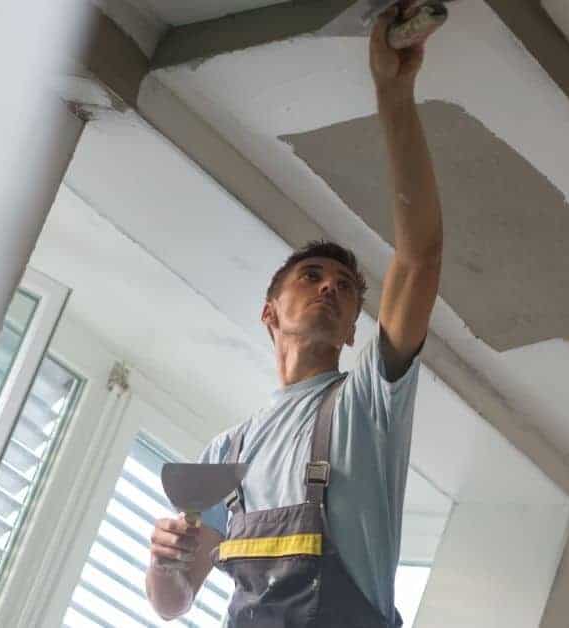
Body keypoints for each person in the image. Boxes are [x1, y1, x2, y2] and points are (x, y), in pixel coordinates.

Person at [145, 8, 443, 627]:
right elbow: (173, 604)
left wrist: (393, 94)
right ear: (269, 314)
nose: (330, 286)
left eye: (345, 287)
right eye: (311, 276)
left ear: (354, 328)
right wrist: (164, 562)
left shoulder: (367, 404)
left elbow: (420, 257)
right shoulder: (225, 455)